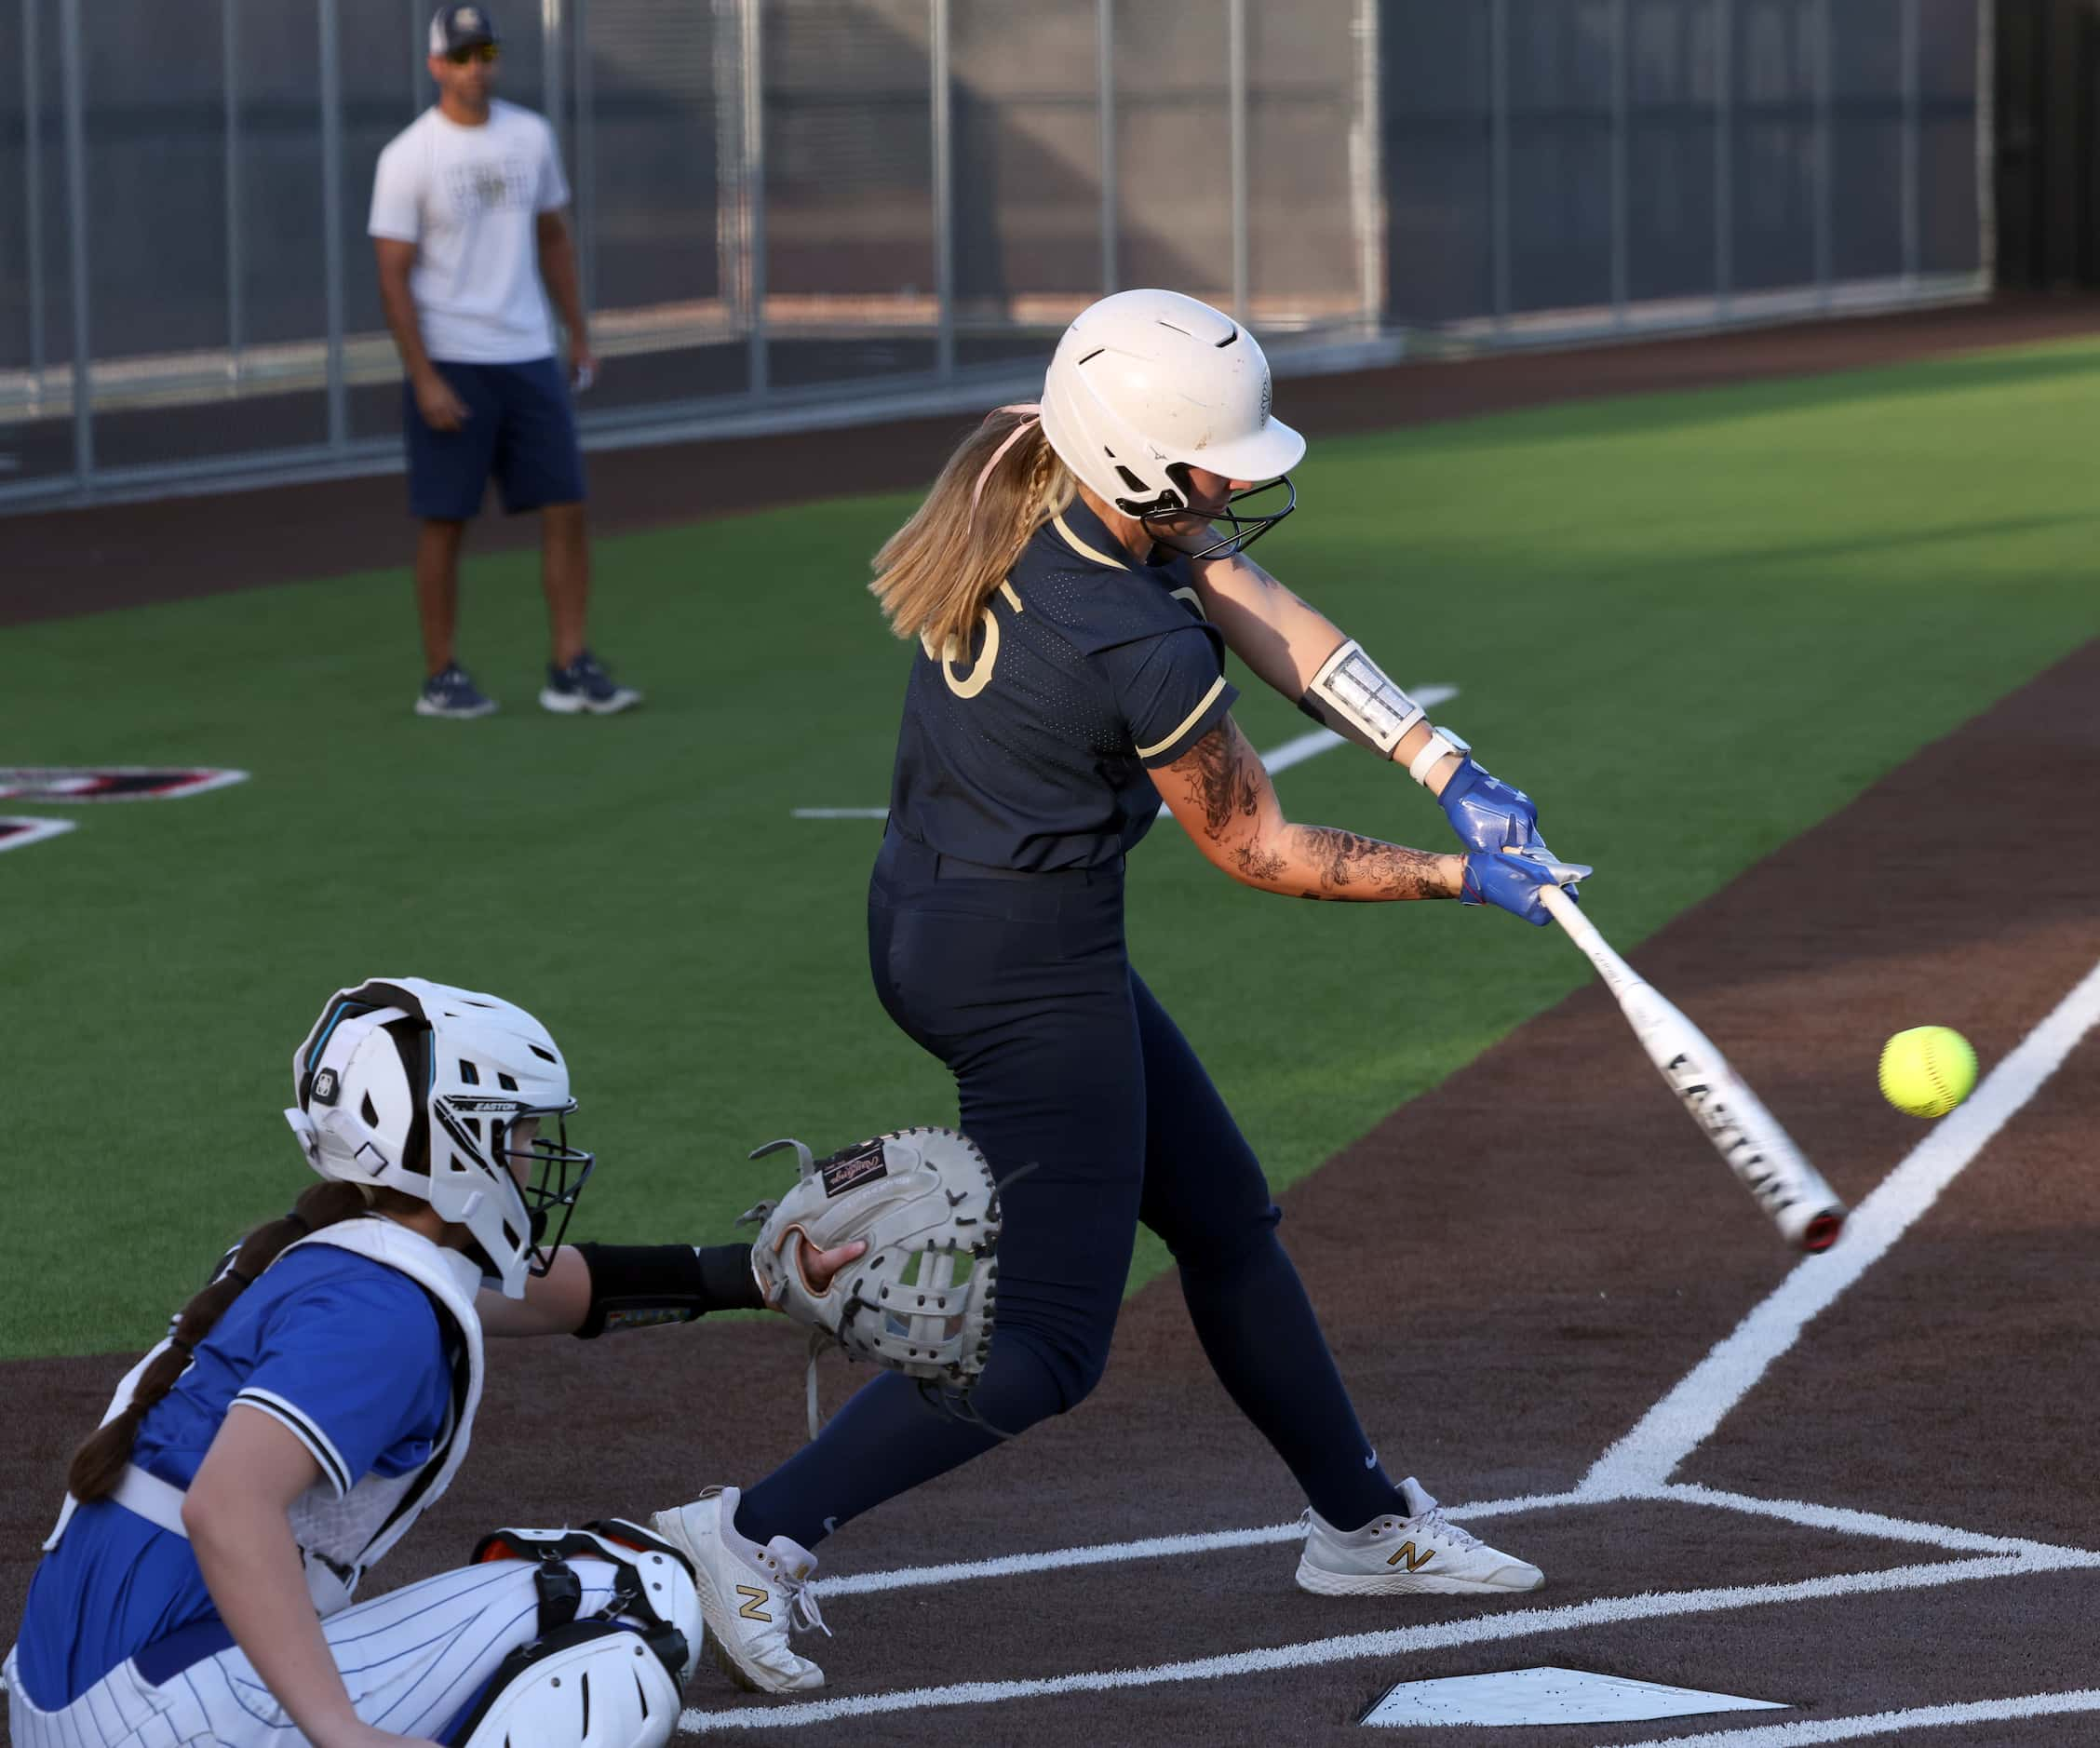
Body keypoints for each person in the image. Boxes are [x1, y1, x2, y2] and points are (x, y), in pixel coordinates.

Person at [649, 289, 1589, 1695]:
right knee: (1041, 1347)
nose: (1242, 486)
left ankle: (1358, 1518)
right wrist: (1463, 877)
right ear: (1146, 464)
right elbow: (1260, 845)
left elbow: (1246, 593)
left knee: (1222, 1216)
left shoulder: (1029, 462)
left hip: (942, 909)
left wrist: (1441, 760)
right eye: (1221, 464)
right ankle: (751, 1530)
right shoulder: (1131, 646)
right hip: (1024, 968)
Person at [3, 976, 860, 1746]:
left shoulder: (337, 1252)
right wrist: (341, 1732)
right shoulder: (377, 1312)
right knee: (634, 1600)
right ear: (459, 1140)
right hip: (160, 1712)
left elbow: (558, 1291)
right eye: (520, 1125)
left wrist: (759, 1275)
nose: (534, 1150)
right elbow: (228, 1509)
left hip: (83, 1692)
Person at [370, 6, 640, 720]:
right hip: (454, 360)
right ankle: (441, 675)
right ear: (436, 66)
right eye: (460, 55)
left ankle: (569, 664)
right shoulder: (408, 157)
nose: (475, 66)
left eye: (484, 51)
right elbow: (392, 273)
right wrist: (423, 375)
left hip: (527, 354)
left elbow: (552, 237)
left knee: (567, 507)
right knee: (446, 519)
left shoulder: (530, 136)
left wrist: (577, 333)